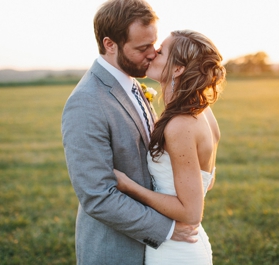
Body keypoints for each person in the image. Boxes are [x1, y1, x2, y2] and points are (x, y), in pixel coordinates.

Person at [61, 0, 198, 263]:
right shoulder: (86, 102)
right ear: (110, 44)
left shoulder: (132, 80)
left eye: (154, 44)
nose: (153, 53)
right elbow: (98, 196)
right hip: (116, 250)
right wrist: (167, 229)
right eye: (142, 47)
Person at [112, 29, 224, 264]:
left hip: (175, 251)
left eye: (161, 51)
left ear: (178, 68)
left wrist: (129, 186)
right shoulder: (204, 112)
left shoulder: (180, 125)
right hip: (189, 245)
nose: (152, 54)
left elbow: (191, 212)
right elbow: (206, 182)